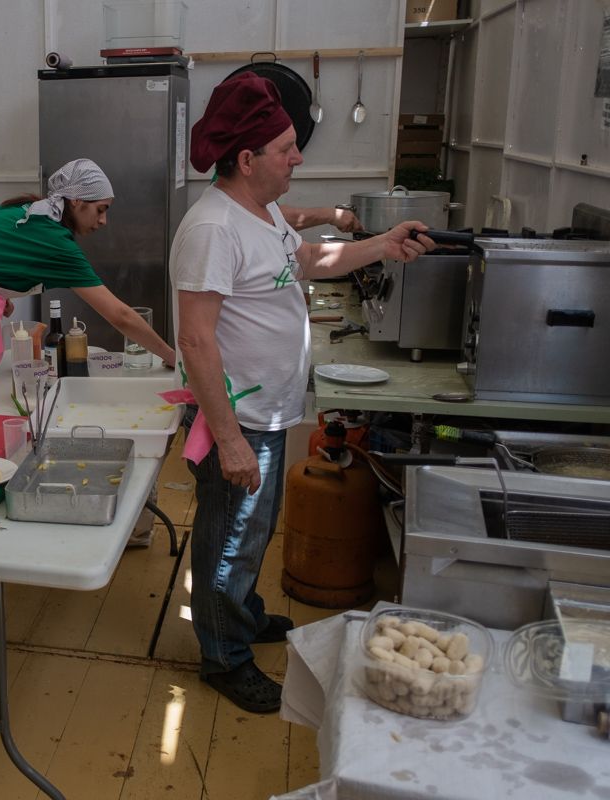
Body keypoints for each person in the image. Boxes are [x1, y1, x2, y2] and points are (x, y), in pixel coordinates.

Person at [170, 74, 435, 714]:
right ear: (247, 159)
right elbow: (197, 341)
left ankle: (242, 613)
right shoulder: (211, 229)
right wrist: (229, 438)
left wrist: (379, 245)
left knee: (253, 532)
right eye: (287, 148)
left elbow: (309, 261)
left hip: (268, 411)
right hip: (240, 418)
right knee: (227, 539)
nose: (298, 158)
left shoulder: (258, 215)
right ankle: (223, 655)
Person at [0, 158, 176, 601]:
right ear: (75, 202)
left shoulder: (15, 212)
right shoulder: (54, 240)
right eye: (99, 209)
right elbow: (117, 313)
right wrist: (173, 356)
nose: (103, 221)